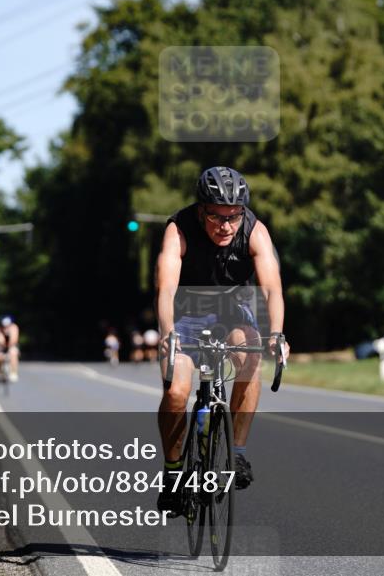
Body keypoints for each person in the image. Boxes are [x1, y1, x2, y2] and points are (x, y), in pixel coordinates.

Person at [155, 166, 289, 516]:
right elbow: (166, 287)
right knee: (176, 392)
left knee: (252, 355)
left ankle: (237, 454)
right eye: (217, 217)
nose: (226, 226)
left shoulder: (254, 231)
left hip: (231, 312)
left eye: (234, 216)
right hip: (185, 314)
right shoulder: (178, 229)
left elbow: (272, 287)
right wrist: (168, 333)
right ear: (201, 209)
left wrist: (277, 334)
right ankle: (172, 475)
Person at [0, 316, 21, 382]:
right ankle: (0, 373)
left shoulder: (14, 327)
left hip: (12, 346)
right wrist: (1, 342)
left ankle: (13, 373)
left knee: (13, 353)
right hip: (2, 347)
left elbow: (14, 339)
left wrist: (9, 345)